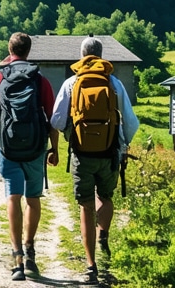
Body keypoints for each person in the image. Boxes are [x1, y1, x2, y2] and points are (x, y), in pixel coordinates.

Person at [50, 37, 139, 285]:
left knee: (86, 205)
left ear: (81, 55)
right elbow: (131, 122)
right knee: (106, 196)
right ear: (102, 55)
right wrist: (121, 144)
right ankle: (104, 237)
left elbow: (56, 121)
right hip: (109, 152)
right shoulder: (114, 82)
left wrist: (71, 132)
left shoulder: (71, 82)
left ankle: (91, 265)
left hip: (82, 153)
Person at [0, 32, 59, 281]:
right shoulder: (40, 79)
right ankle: (31, 251)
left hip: (8, 147)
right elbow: (52, 118)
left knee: (13, 197)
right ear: (29, 51)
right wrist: (54, 148)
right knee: (33, 198)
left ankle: (17, 260)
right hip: (35, 147)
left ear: (9, 49)